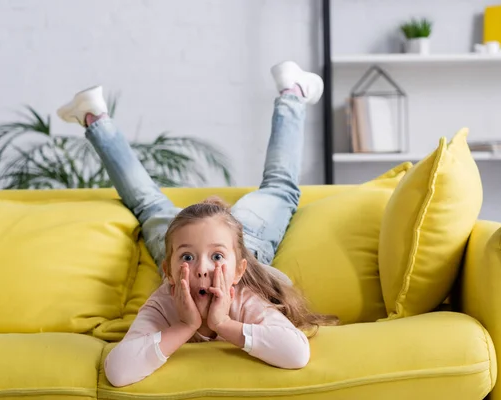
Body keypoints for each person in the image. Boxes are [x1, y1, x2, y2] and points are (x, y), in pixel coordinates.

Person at [57, 61, 335, 387]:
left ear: (238, 271)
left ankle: (96, 117)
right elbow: (118, 371)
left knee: (274, 189)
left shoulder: (243, 295)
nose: (202, 269)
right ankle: (291, 90)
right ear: (169, 269)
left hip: (249, 238)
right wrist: (185, 326)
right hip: (199, 235)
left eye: (216, 258)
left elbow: (296, 354)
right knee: (276, 189)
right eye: (188, 258)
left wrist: (222, 323)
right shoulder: (165, 300)